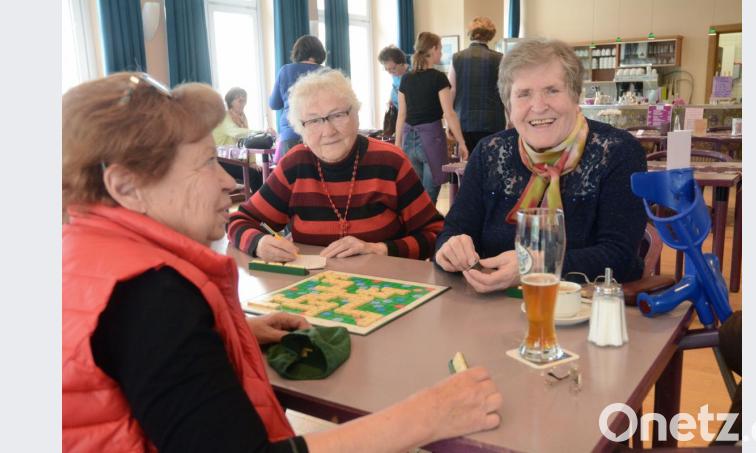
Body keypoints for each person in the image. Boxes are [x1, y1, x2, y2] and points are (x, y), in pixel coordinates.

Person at [63, 72, 502, 452]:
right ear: (126, 186)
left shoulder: (88, 256)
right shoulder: (152, 298)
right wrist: (430, 415)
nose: (225, 183)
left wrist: (227, 335)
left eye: (338, 115)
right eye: (206, 163)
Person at [434, 38, 647, 293]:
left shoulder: (618, 152)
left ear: (575, 95)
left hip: (587, 310)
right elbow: (452, 231)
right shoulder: (489, 152)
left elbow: (619, 256)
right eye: (523, 94)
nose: (538, 106)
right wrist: (450, 248)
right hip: (492, 307)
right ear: (508, 105)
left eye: (552, 90)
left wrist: (534, 266)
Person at [229, 69, 445, 262]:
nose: (328, 131)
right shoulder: (295, 165)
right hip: (312, 292)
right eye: (313, 121)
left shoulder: (390, 162)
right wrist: (259, 244)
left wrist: (380, 249)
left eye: (338, 115)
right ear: (301, 129)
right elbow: (239, 221)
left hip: (384, 290)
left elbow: (435, 233)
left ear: (356, 116)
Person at [395, 31, 468, 204]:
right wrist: (461, 142)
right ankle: (428, 230)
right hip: (431, 140)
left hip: (408, 140)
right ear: (433, 49)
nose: (441, 53)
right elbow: (449, 113)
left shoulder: (406, 78)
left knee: (414, 196)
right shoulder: (438, 78)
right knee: (429, 198)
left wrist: (398, 143)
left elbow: (401, 115)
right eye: (440, 49)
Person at [448, 17, 506, 155]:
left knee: (467, 165)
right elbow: (505, 91)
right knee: (491, 163)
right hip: (493, 121)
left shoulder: (457, 57)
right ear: (490, 35)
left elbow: (452, 90)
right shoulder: (499, 58)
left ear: (471, 33)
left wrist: (449, 120)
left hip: (463, 120)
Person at [270, 35, 325, 160]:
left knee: (291, 176)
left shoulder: (285, 71)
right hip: (318, 132)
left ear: (298, 52)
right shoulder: (327, 73)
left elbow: (274, 104)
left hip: (291, 134)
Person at [213, 86, 265, 194]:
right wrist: (261, 131)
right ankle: (259, 206)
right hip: (219, 160)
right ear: (231, 102)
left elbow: (248, 140)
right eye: (240, 100)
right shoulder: (224, 116)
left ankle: (261, 205)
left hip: (235, 158)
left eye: (245, 100)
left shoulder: (242, 117)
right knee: (253, 175)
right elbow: (235, 131)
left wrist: (253, 162)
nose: (243, 103)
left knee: (260, 172)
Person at [377, 45, 410, 134]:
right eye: (387, 69)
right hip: (396, 110)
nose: (390, 72)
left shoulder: (411, 75)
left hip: (408, 116)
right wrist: (390, 99)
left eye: (393, 68)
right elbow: (395, 87)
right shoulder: (394, 73)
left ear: (402, 63)